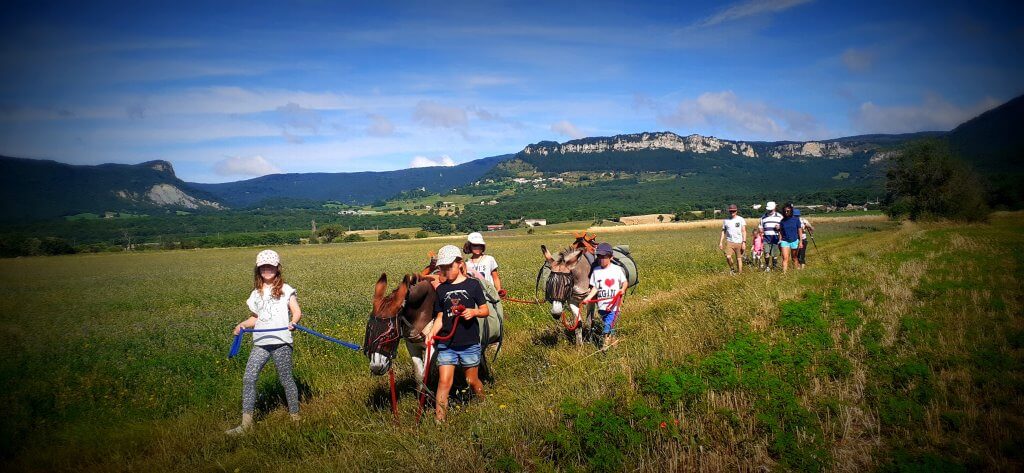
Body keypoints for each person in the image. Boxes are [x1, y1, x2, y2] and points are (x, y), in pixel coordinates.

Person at [227, 249, 303, 435]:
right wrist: (242, 325)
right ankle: (246, 424)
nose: (267, 270)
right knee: (249, 378)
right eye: (263, 267)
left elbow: (296, 311)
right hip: (261, 342)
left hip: (281, 342)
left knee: (286, 379)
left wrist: (293, 323)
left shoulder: (286, 289)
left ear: (277, 268)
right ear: (258, 269)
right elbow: (255, 318)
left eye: (270, 266)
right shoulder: (255, 293)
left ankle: (295, 417)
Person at [430, 244, 489, 422]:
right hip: (447, 344)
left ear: (459, 263)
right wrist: (431, 334)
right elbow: (440, 316)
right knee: (444, 382)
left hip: (469, 343)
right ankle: (439, 421)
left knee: (471, 381)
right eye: (442, 268)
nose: (446, 271)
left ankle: (484, 403)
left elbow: (485, 310)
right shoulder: (440, 290)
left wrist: (473, 312)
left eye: (449, 267)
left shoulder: (473, 285)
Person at [584, 243, 628, 350]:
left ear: (611, 257)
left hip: (614, 306)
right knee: (609, 326)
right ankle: (613, 343)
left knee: (607, 326)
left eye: (604, 257)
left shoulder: (617, 269)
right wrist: (589, 297)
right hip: (602, 306)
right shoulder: (596, 271)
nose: (602, 259)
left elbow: (625, 282)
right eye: (599, 256)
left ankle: (605, 347)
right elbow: (595, 287)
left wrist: (622, 289)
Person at [463, 232, 504, 297]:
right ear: (469, 246)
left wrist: (498, 290)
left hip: (489, 294)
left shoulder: (489, 259)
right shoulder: (466, 263)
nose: (477, 247)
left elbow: (495, 277)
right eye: (475, 245)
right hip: (474, 296)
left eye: (480, 245)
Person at [774, 203, 804, 273]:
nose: (786, 212)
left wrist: (801, 242)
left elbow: (799, 231)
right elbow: (781, 232)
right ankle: (784, 273)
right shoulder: (782, 221)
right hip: (785, 241)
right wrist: (780, 241)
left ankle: (796, 271)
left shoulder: (796, 220)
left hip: (794, 240)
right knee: (785, 258)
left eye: (788, 211)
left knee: (794, 257)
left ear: (791, 211)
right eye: (785, 211)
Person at [718, 204, 747, 273]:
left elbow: (744, 231)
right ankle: (732, 269)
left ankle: (740, 274)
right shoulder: (726, 221)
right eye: (731, 211)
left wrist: (744, 242)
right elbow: (723, 232)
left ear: (736, 211)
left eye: (733, 211)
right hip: (729, 242)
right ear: (729, 211)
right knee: (728, 256)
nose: (732, 212)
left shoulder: (741, 219)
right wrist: (720, 242)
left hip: (739, 242)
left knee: (739, 259)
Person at [759, 201, 783, 270]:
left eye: (771, 209)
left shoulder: (779, 216)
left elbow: (783, 226)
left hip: (775, 238)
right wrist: (760, 230)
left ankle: (774, 266)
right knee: (766, 253)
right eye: (768, 209)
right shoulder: (763, 217)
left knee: (774, 254)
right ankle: (767, 266)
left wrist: (779, 227)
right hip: (766, 238)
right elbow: (760, 226)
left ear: (774, 208)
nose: (769, 211)